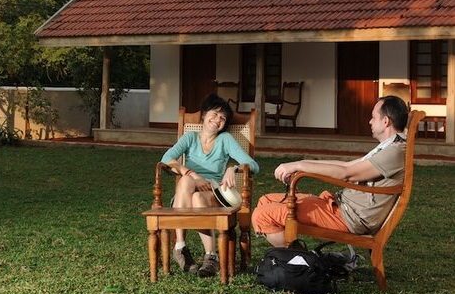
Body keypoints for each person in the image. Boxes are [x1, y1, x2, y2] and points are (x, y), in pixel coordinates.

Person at [252, 95, 409, 247]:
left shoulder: (394, 151)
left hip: (348, 217)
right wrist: (302, 162)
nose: (369, 121)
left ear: (386, 121)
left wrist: (299, 166)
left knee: (262, 215)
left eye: (373, 117)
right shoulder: (389, 146)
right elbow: (346, 165)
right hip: (341, 206)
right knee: (266, 200)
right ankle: (296, 258)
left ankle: (298, 262)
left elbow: (347, 173)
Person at [161, 93, 260, 277]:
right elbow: (166, 159)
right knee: (187, 183)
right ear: (204, 115)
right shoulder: (190, 138)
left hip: (212, 192)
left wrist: (234, 168)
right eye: (214, 114)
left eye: (222, 118)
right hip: (187, 192)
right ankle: (188, 248)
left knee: (198, 196)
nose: (217, 120)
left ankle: (199, 253)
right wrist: (189, 172)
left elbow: (253, 166)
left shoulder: (226, 140)